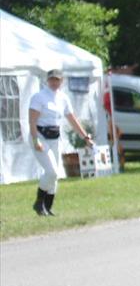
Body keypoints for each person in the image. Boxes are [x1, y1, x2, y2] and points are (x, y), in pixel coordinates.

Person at [27, 69, 94, 216]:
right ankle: (39, 203)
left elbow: (72, 119)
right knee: (51, 172)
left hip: (54, 138)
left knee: (55, 175)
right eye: (52, 80)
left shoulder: (63, 98)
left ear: (61, 81)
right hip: (40, 136)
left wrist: (85, 137)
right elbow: (32, 120)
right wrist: (35, 139)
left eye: (57, 80)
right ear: (47, 80)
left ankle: (47, 207)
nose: (54, 83)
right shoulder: (39, 97)